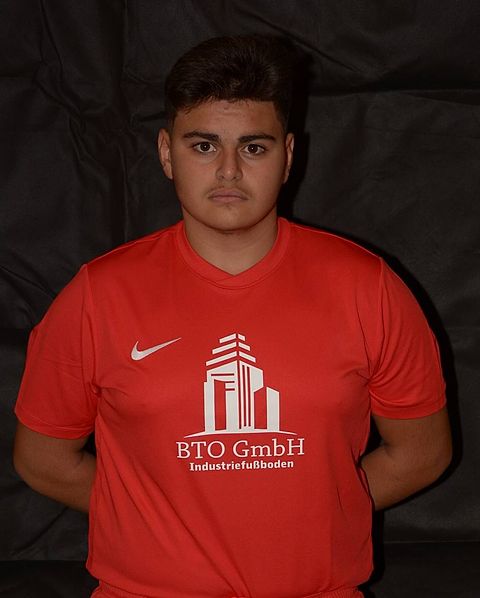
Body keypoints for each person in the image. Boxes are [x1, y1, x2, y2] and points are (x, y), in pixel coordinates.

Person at [13, 35, 452, 598]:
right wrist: (148, 513)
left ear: (287, 156)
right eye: (203, 146)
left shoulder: (368, 287)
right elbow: (43, 459)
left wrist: (320, 502)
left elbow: (421, 453)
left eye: (253, 148)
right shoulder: (98, 295)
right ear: (166, 153)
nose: (227, 171)